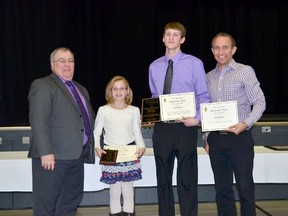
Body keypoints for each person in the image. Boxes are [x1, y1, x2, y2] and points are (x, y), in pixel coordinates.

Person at [148, 21, 211, 216]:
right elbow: (154, 97)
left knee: (187, 180)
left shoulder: (194, 63)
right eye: (168, 34)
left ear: (182, 39)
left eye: (176, 34)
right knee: (163, 180)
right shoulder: (154, 66)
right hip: (162, 129)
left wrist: (197, 119)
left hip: (186, 128)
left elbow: (204, 97)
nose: (171, 38)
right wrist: (151, 114)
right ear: (163, 38)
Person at [28, 47, 95, 216]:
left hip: (76, 158)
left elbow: (87, 120)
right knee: (46, 205)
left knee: (70, 203)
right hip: (52, 159)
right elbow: (38, 121)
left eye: (70, 61)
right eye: (62, 61)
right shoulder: (43, 85)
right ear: (52, 65)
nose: (67, 65)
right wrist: (46, 152)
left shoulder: (80, 88)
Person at [205, 32, 266, 216]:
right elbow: (205, 109)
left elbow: (260, 102)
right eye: (216, 47)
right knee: (222, 191)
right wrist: (206, 137)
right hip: (216, 140)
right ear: (212, 50)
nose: (220, 51)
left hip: (240, 138)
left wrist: (245, 124)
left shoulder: (245, 71)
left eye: (225, 47)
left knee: (245, 188)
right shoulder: (208, 77)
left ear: (233, 50)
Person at [93, 75, 146, 216]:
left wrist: (141, 146)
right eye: (115, 89)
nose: (119, 92)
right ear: (110, 91)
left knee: (128, 191)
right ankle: (115, 213)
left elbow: (137, 132)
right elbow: (96, 133)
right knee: (115, 191)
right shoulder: (103, 110)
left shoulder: (134, 110)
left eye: (122, 88)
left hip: (129, 153)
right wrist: (97, 147)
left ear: (127, 91)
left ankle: (129, 213)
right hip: (111, 153)